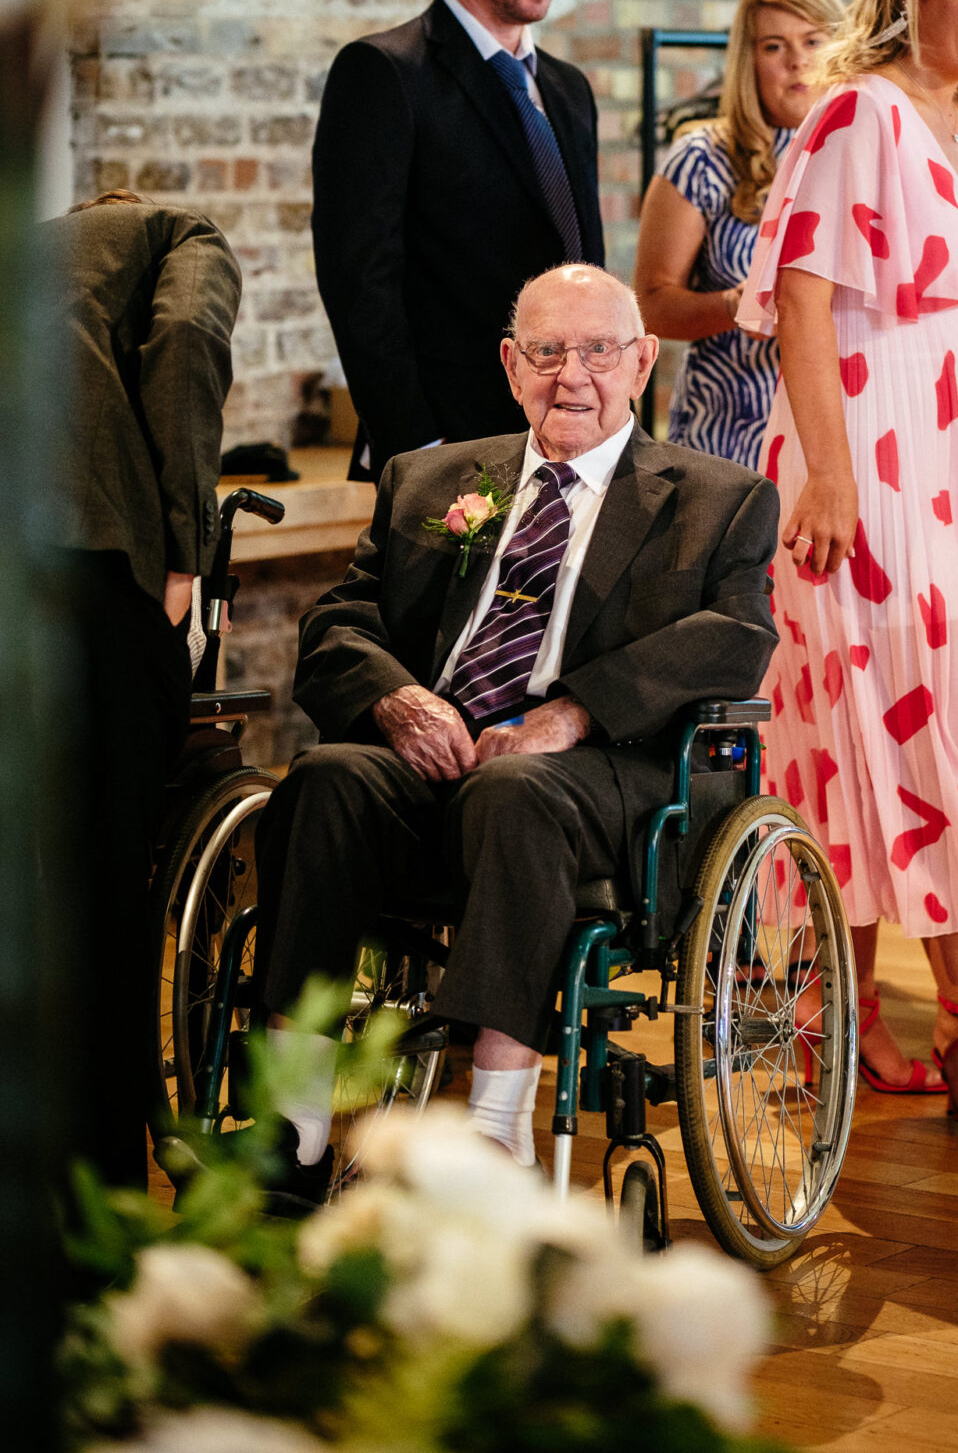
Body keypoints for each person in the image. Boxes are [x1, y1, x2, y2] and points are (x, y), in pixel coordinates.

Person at [250, 265, 778, 1192]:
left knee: (516, 788)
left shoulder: (715, 498)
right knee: (327, 778)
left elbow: (738, 637)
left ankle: (496, 1132)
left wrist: (574, 711)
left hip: (599, 775)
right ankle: (292, 1126)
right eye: (546, 350)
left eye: (598, 350)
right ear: (510, 363)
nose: (571, 374)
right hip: (435, 760)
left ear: (643, 360)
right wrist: (396, 700)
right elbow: (341, 620)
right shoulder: (430, 479)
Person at [738, 0, 958, 1128]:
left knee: (938, 719)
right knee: (873, 729)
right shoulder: (857, 111)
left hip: (953, 445)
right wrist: (826, 471)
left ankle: (850, 1014)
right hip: (860, 441)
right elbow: (806, 302)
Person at [41, 191, 241, 1187]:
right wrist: (182, 545)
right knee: (103, 878)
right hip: (83, 558)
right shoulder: (178, 229)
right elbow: (186, 342)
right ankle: (102, 1180)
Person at [311, 0, 605, 478]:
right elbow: (359, 280)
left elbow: (585, 265)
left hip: (573, 437)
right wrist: (415, 447)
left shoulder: (568, 89)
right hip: (448, 448)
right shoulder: (385, 73)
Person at [634, 0, 844, 468]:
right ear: (748, 62)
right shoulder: (702, 158)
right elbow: (649, 307)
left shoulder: (862, 155)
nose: (798, 60)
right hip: (729, 439)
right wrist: (736, 303)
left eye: (814, 40)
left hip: (844, 433)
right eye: (774, 46)